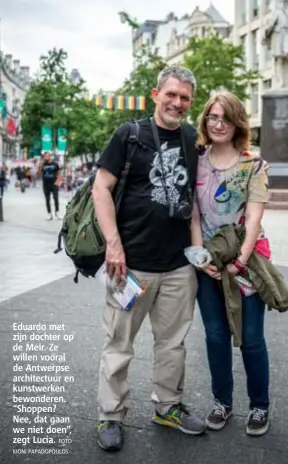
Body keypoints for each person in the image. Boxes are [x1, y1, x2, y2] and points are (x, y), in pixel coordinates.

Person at [92, 65, 206, 453]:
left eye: (185, 97)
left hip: (177, 267)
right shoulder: (130, 134)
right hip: (130, 266)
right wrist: (113, 245)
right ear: (155, 95)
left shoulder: (193, 138)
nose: (177, 102)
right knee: (119, 342)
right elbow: (101, 188)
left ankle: (168, 406)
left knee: (172, 344)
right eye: (171, 94)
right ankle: (111, 414)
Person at [191, 91, 271, 436]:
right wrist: (199, 258)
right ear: (205, 121)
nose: (218, 123)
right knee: (215, 335)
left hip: (247, 262)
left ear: (237, 121)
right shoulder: (194, 161)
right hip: (208, 262)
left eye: (225, 117)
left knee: (251, 337)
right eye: (212, 116)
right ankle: (222, 402)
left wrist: (239, 261)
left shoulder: (253, 164)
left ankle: (259, 406)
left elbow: (253, 217)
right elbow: (193, 216)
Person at [39, 152, 61, 220]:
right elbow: (38, 174)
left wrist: (57, 182)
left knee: (56, 198)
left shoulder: (55, 164)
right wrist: (40, 166)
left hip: (54, 184)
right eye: (45, 156)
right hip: (46, 184)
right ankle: (49, 214)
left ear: (50, 156)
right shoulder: (43, 164)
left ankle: (57, 213)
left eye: (47, 156)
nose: (46, 157)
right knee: (47, 200)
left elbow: (59, 173)